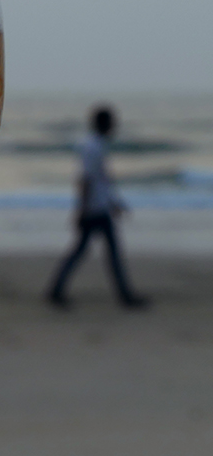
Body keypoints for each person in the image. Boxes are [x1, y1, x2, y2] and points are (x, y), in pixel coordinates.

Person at [46, 106, 149, 309]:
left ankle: (56, 291)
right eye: (112, 122)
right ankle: (125, 296)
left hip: (98, 208)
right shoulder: (92, 147)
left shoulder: (96, 145)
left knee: (84, 251)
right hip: (94, 210)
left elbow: (101, 181)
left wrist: (114, 202)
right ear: (104, 124)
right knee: (105, 253)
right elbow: (85, 180)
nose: (114, 126)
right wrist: (81, 210)